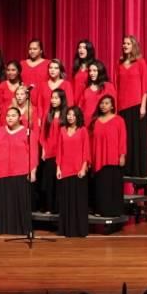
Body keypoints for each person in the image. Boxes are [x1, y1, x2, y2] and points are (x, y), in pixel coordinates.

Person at [0, 107, 38, 235]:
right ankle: (3, 228)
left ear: (20, 117)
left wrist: (33, 170)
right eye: (8, 115)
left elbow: (33, 153)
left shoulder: (28, 132)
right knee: (3, 202)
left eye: (13, 115)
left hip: (20, 172)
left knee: (20, 202)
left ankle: (21, 228)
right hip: (1, 171)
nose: (10, 118)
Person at [116, 35, 147, 177]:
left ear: (133, 45)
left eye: (128, 43)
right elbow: (116, 86)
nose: (125, 45)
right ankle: (126, 169)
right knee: (125, 139)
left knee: (137, 138)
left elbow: (145, 86)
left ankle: (138, 170)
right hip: (122, 106)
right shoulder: (119, 63)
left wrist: (143, 106)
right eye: (123, 43)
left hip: (136, 106)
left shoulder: (141, 62)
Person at [90, 95, 127, 217]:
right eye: (102, 103)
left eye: (106, 103)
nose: (103, 105)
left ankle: (114, 211)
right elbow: (91, 141)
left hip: (113, 159)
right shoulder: (96, 121)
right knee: (100, 187)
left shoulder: (119, 120)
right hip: (99, 159)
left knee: (113, 187)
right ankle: (100, 210)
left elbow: (122, 139)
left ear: (112, 106)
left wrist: (122, 155)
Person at [56, 107, 90, 237]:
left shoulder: (83, 131)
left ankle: (79, 230)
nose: (70, 117)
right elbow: (59, 150)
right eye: (69, 114)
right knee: (66, 201)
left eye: (73, 115)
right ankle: (66, 229)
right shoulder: (62, 130)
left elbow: (86, 150)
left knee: (78, 201)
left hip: (78, 170)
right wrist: (58, 168)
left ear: (78, 117)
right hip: (65, 169)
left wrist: (83, 168)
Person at [39, 88, 68, 214]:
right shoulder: (48, 115)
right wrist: (43, 149)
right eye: (52, 97)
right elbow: (43, 135)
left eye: (56, 98)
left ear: (62, 99)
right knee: (49, 181)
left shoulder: (66, 115)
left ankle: (60, 207)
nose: (53, 100)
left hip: (62, 152)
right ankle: (49, 207)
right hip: (50, 151)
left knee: (60, 181)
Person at [79, 60, 117, 128]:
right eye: (90, 71)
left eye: (94, 70)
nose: (91, 73)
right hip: (86, 125)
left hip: (103, 123)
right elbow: (80, 107)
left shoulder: (108, 86)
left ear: (100, 71)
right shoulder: (86, 90)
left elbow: (114, 107)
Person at [20, 39, 49, 105]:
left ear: (41, 50)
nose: (32, 51)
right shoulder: (22, 64)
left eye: (35, 49)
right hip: (24, 101)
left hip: (42, 101)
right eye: (30, 49)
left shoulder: (48, 64)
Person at [72, 39, 96, 105]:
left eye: (84, 48)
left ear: (89, 50)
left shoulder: (94, 66)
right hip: (75, 102)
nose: (81, 50)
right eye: (79, 47)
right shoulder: (77, 67)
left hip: (88, 101)